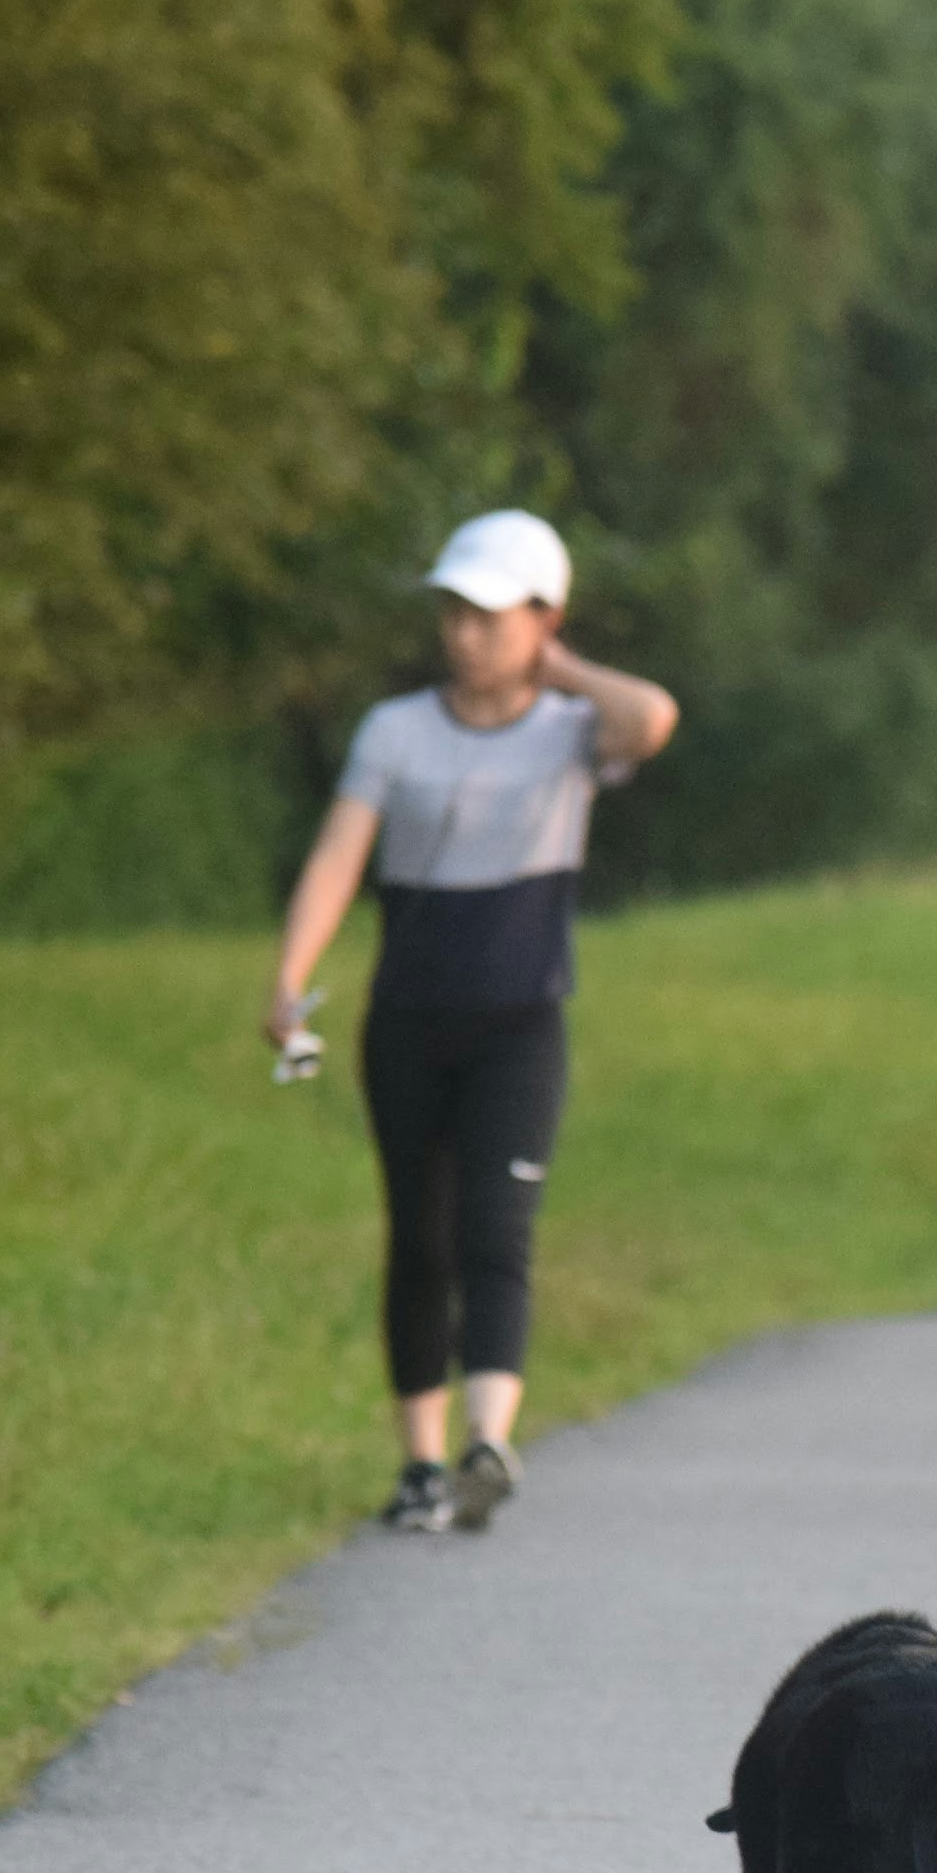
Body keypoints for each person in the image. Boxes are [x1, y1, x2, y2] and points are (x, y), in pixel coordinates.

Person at [266, 510, 680, 1535]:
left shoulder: (572, 732)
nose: (463, 634)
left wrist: (563, 667)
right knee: (421, 1237)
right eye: (454, 613)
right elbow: (336, 858)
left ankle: (486, 1441)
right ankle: (418, 1465)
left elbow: (654, 716)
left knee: (499, 1228)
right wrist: (289, 978)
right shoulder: (395, 731)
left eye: (490, 616)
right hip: (406, 1021)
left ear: (542, 619)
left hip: (519, 1024)